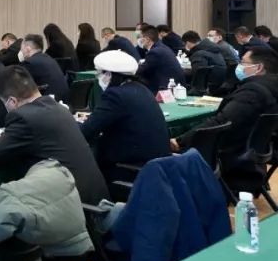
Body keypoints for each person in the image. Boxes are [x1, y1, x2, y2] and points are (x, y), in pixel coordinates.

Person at [0, 66, 108, 205]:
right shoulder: (59, 108)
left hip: (75, 206)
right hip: (97, 200)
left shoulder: (23, 117)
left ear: (12, 101)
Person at [173, 46, 278, 174]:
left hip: (228, 156)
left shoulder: (253, 92)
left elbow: (221, 121)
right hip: (252, 153)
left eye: (243, 62)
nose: (239, 66)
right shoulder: (271, 87)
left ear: (259, 67)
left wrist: (180, 141)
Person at [79, 51, 171, 187]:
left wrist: (71, 123)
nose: (98, 78)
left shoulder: (114, 95)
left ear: (109, 75)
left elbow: (87, 130)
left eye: (100, 73)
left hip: (129, 169)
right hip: (156, 165)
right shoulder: (142, 89)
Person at [19, 33, 69, 103]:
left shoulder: (29, 63)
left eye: (21, 49)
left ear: (28, 49)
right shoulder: (50, 59)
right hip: (64, 102)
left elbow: (20, 86)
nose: (21, 52)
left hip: (48, 104)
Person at [136, 27, 186, 93]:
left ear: (147, 39)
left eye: (140, 37)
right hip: (174, 83)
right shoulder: (161, 47)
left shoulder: (154, 52)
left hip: (166, 88)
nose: (139, 40)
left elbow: (141, 70)